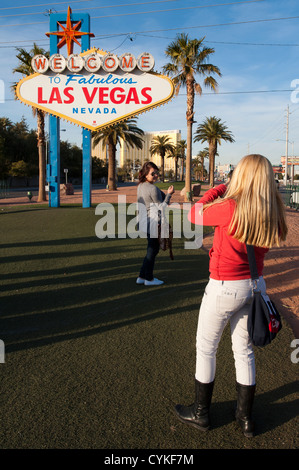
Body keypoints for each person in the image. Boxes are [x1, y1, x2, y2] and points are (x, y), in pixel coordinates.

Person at [174, 154, 288, 437]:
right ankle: (245, 418)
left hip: (225, 285)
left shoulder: (230, 205)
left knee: (206, 348)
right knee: (244, 351)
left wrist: (221, 189)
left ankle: (201, 414)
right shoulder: (273, 207)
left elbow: (194, 214)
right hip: (255, 285)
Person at [136, 162, 174, 286]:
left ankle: (142, 276)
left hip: (143, 221)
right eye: (153, 173)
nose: (156, 175)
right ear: (146, 175)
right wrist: (169, 195)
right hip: (152, 222)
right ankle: (149, 278)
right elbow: (162, 207)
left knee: (151, 249)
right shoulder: (152, 188)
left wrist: (164, 194)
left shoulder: (141, 186)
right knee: (152, 250)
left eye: (157, 172)